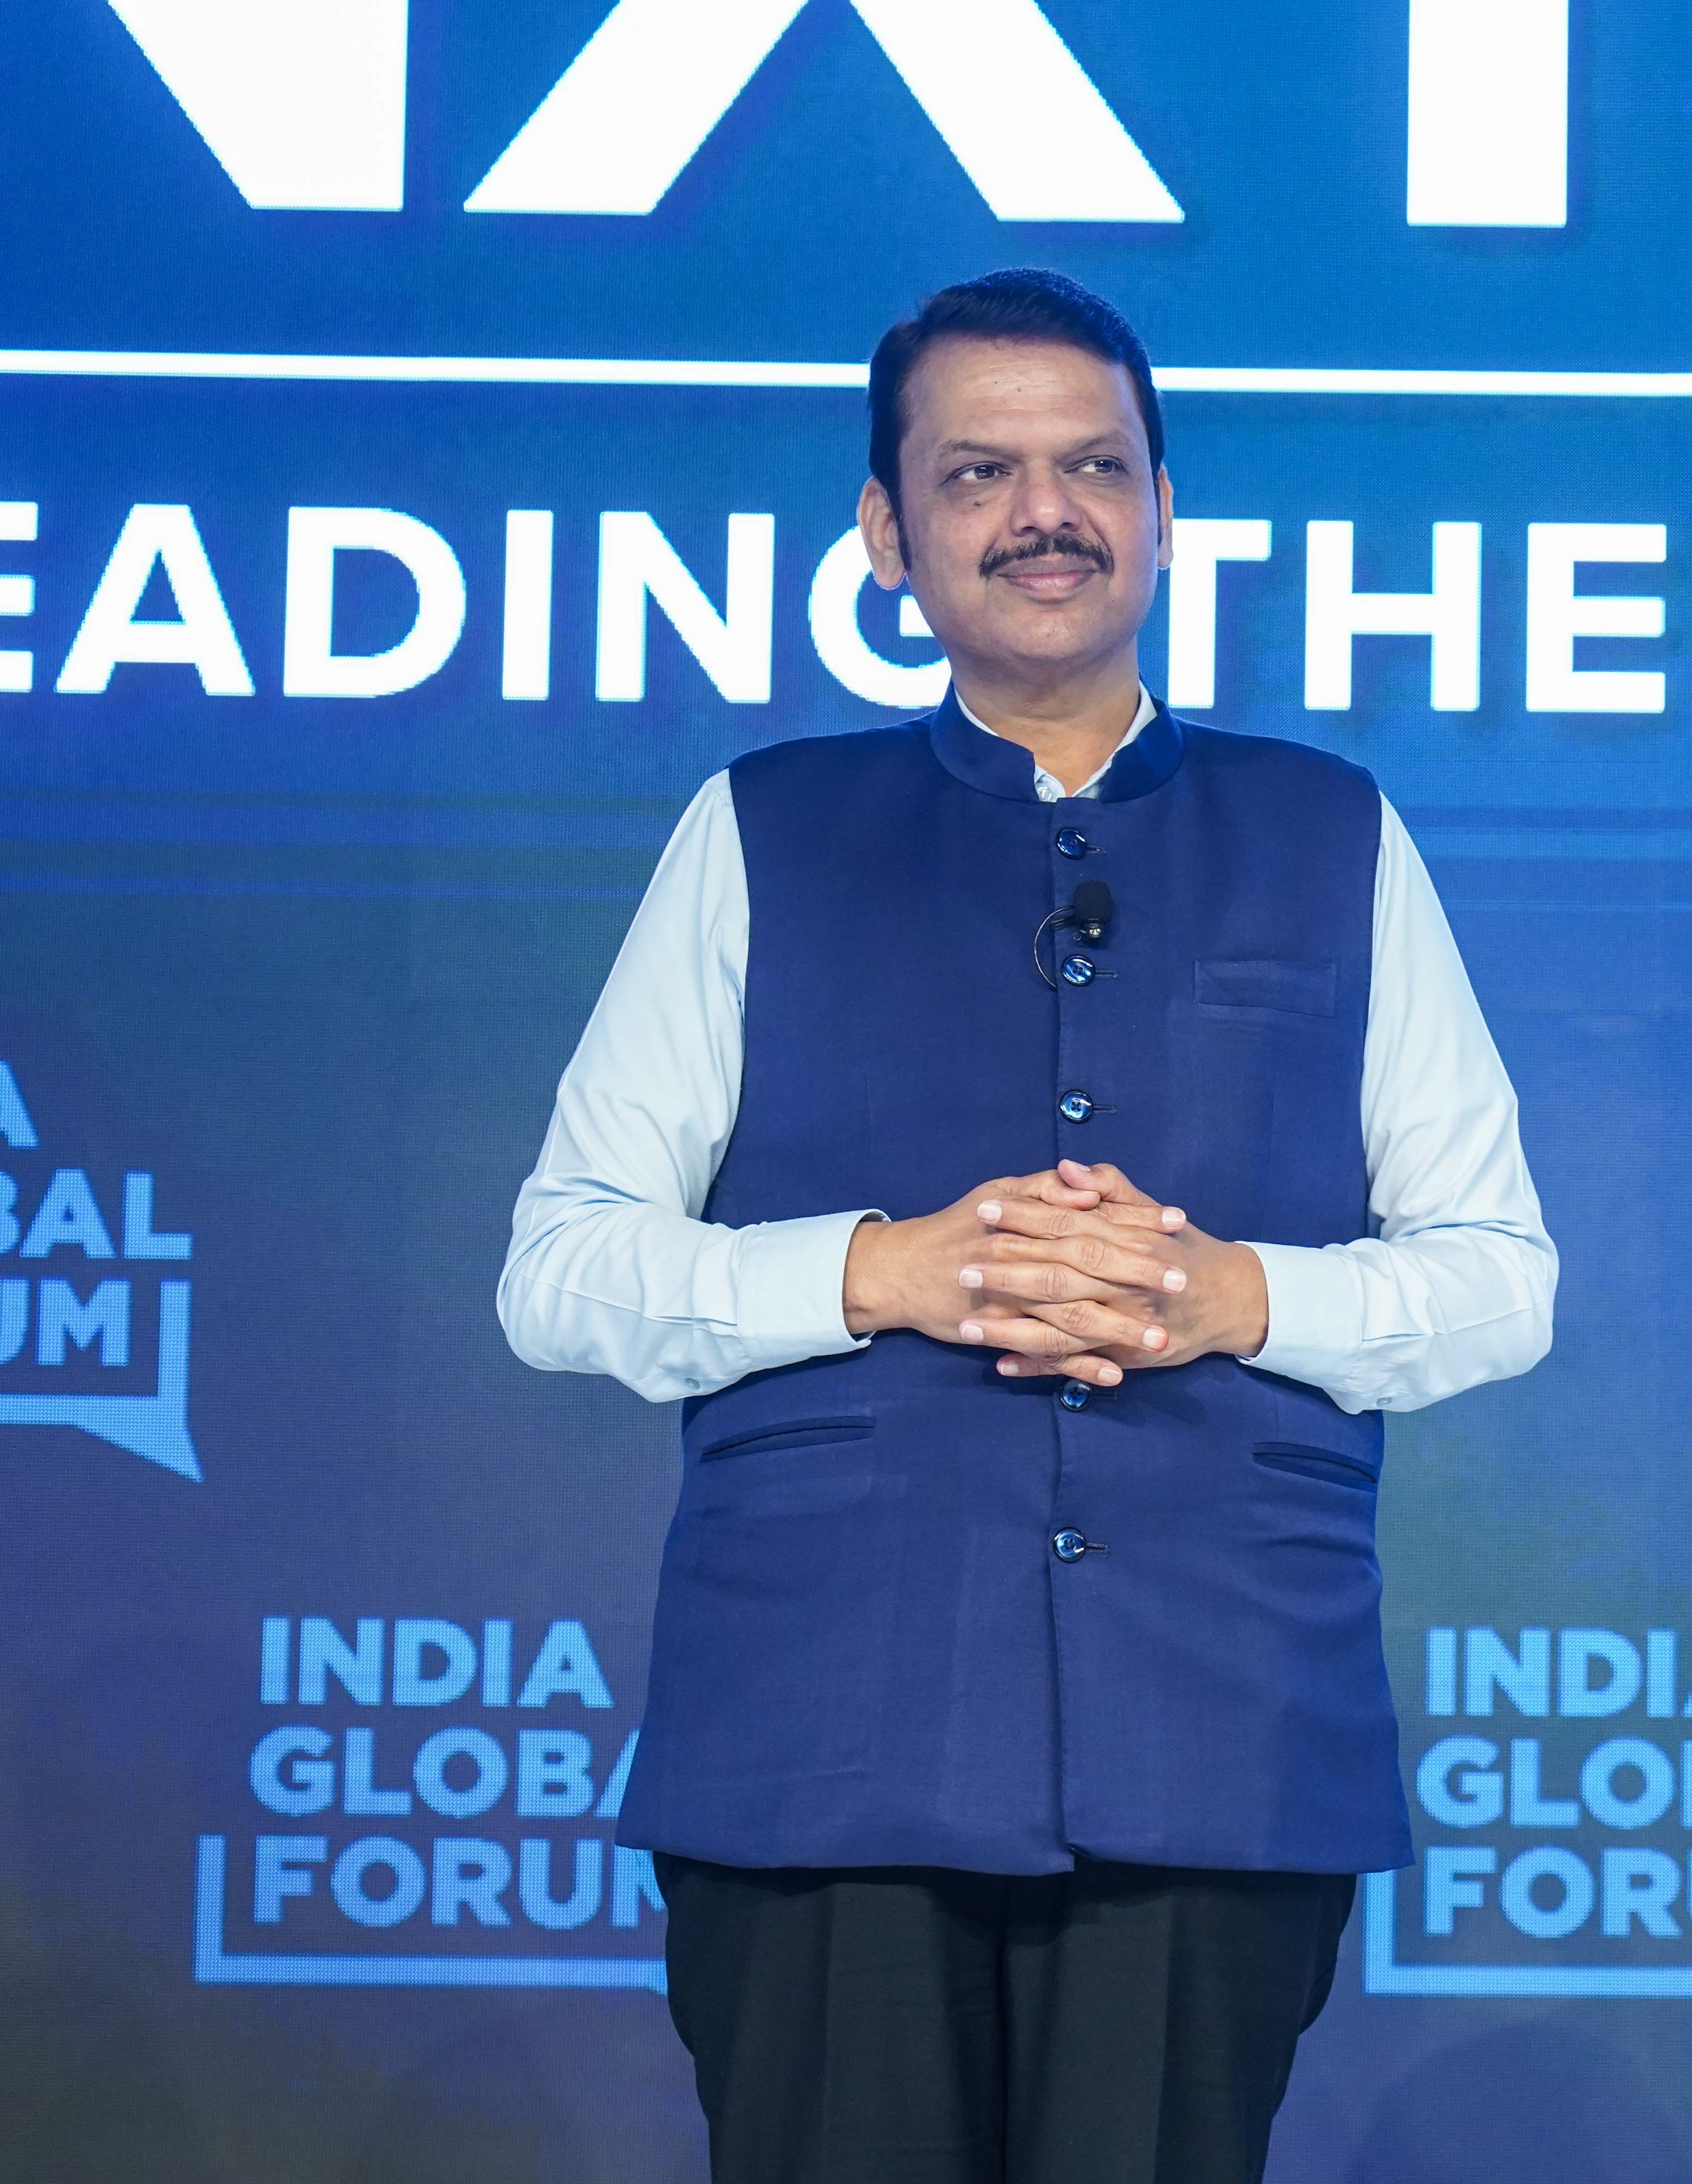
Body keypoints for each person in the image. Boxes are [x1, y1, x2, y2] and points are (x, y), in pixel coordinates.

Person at [499, 268, 1556, 2184]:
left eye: (1094, 466)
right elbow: (562, 1266)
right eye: (977, 472)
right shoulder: (761, 828)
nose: (1043, 512)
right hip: (827, 1732)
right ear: (885, 533)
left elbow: (1499, 1282)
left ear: (1164, 511)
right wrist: (877, 1270)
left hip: (1214, 1729)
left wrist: (1232, 1297)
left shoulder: (1331, 832)